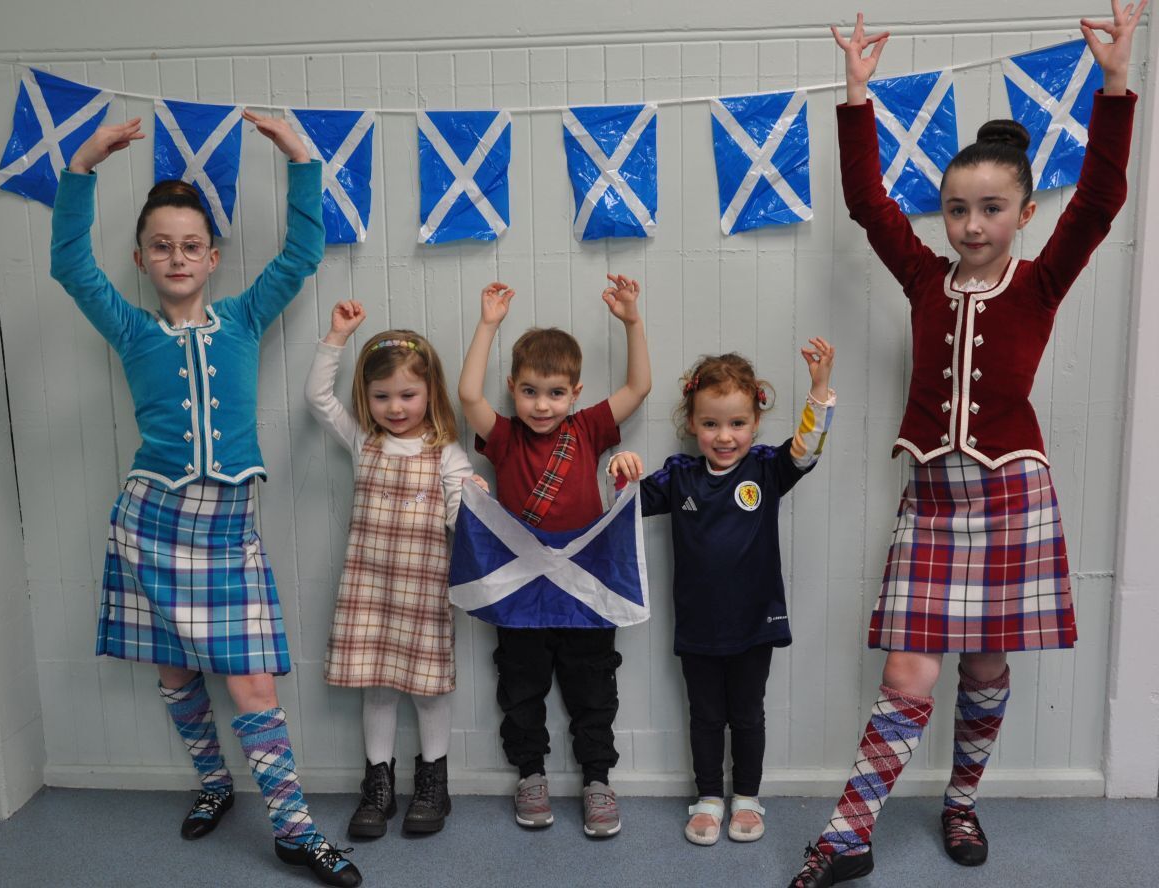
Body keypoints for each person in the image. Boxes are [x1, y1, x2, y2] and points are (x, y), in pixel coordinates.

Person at [788, 4, 1144, 886]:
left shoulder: (1042, 279)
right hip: (935, 501)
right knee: (909, 673)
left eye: (991, 209)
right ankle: (846, 837)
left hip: (1013, 496)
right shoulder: (920, 274)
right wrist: (857, 95)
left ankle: (961, 803)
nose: (972, 224)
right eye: (957, 209)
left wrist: (1115, 84)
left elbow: (1100, 197)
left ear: (1023, 211)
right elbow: (867, 202)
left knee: (984, 665)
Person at [50, 114, 359, 887]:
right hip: (151, 523)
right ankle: (215, 785)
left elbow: (303, 253)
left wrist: (300, 156)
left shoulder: (246, 317)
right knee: (176, 674)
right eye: (162, 245)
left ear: (213, 257)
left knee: (254, 682)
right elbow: (68, 264)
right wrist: (81, 166)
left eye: (191, 245)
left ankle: (292, 831)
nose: (177, 256)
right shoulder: (128, 327)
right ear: (142, 258)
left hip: (227, 531)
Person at [608, 342, 835, 846]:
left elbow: (807, 449)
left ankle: (747, 798)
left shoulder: (766, 470)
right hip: (699, 625)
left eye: (736, 423)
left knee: (748, 714)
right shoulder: (681, 475)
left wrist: (819, 390)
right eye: (711, 424)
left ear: (754, 423)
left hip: (755, 622)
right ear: (692, 423)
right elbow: (629, 503)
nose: (724, 435)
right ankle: (709, 797)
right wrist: (621, 467)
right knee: (706, 716)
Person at [456, 275, 651, 837]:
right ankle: (530, 774)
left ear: (576, 392)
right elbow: (469, 395)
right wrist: (488, 325)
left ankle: (597, 780)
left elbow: (639, 386)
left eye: (556, 392)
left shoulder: (589, 428)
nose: (543, 405)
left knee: (593, 685)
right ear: (514, 388)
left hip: (585, 581)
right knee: (521, 684)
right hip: (520, 584)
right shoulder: (505, 436)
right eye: (531, 391)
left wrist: (632, 321)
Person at [305, 300, 483, 839]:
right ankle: (377, 785)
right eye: (382, 396)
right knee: (377, 688)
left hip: (424, 591)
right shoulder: (366, 441)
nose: (395, 406)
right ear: (367, 398)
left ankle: (434, 783)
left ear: (430, 392)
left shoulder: (446, 452)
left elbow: (457, 517)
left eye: (407, 394)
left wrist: (474, 500)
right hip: (370, 588)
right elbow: (317, 398)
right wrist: (336, 336)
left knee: (428, 689)